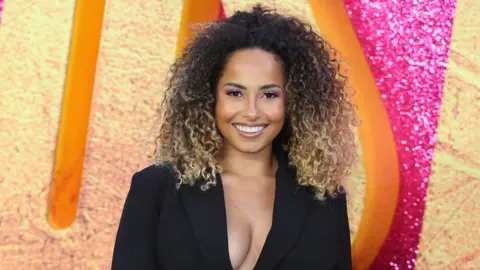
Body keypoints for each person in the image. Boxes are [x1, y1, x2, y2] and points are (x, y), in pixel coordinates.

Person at [112, 4, 357, 270]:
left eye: (269, 94)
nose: (251, 112)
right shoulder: (156, 189)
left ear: (294, 101)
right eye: (235, 93)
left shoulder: (324, 198)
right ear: (209, 96)